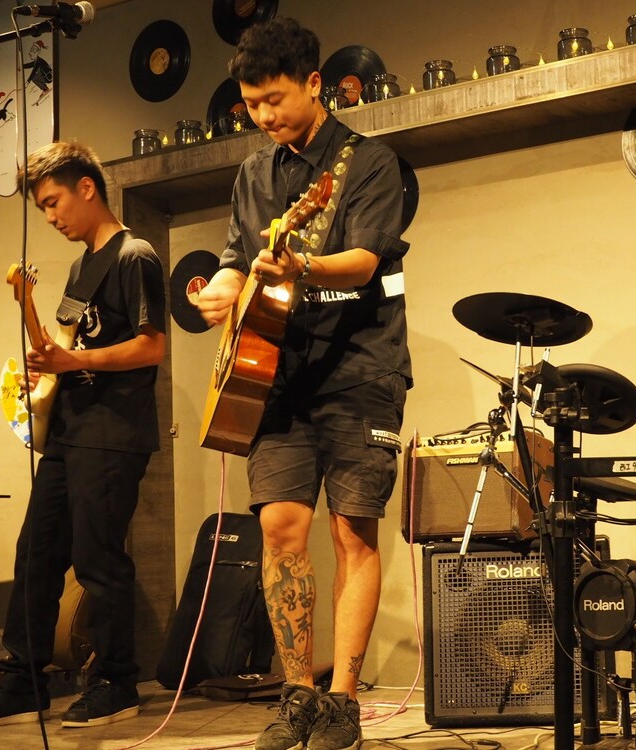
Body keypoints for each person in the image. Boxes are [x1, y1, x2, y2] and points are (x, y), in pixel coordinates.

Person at [196, 18, 411, 750]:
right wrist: (221, 291)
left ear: (314, 84)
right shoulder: (253, 175)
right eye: (252, 104)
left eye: (274, 99)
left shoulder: (368, 162)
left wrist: (302, 266)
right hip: (274, 376)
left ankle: (342, 701)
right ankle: (298, 695)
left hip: (360, 370)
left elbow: (366, 260)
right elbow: (235, 257)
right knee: (280, 530)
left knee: (352, 531)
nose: (263, 116)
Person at [0, 142, 166, 729]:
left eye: (53, 202)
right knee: (37, 551)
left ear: (87, 188)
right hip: (70, 430)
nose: (50, 217)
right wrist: (48, 365)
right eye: (42, 208)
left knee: (98, 558)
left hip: (114, 431)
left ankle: (116, 681)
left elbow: (152, 346)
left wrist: (76, 362)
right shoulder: (80, 267)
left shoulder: (136, 255)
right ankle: (25, 681)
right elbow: (68, 344)